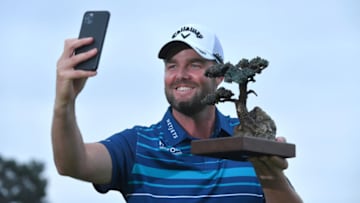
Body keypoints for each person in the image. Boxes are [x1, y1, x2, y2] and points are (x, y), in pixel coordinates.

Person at [52, 24, 302, 203]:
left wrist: (270, 172)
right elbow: (73, 163)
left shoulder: (248, 137)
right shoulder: (137, 145)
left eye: (194, 64)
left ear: (220, 76)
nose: (181, 74)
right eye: (172, 65)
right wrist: (65, 102)